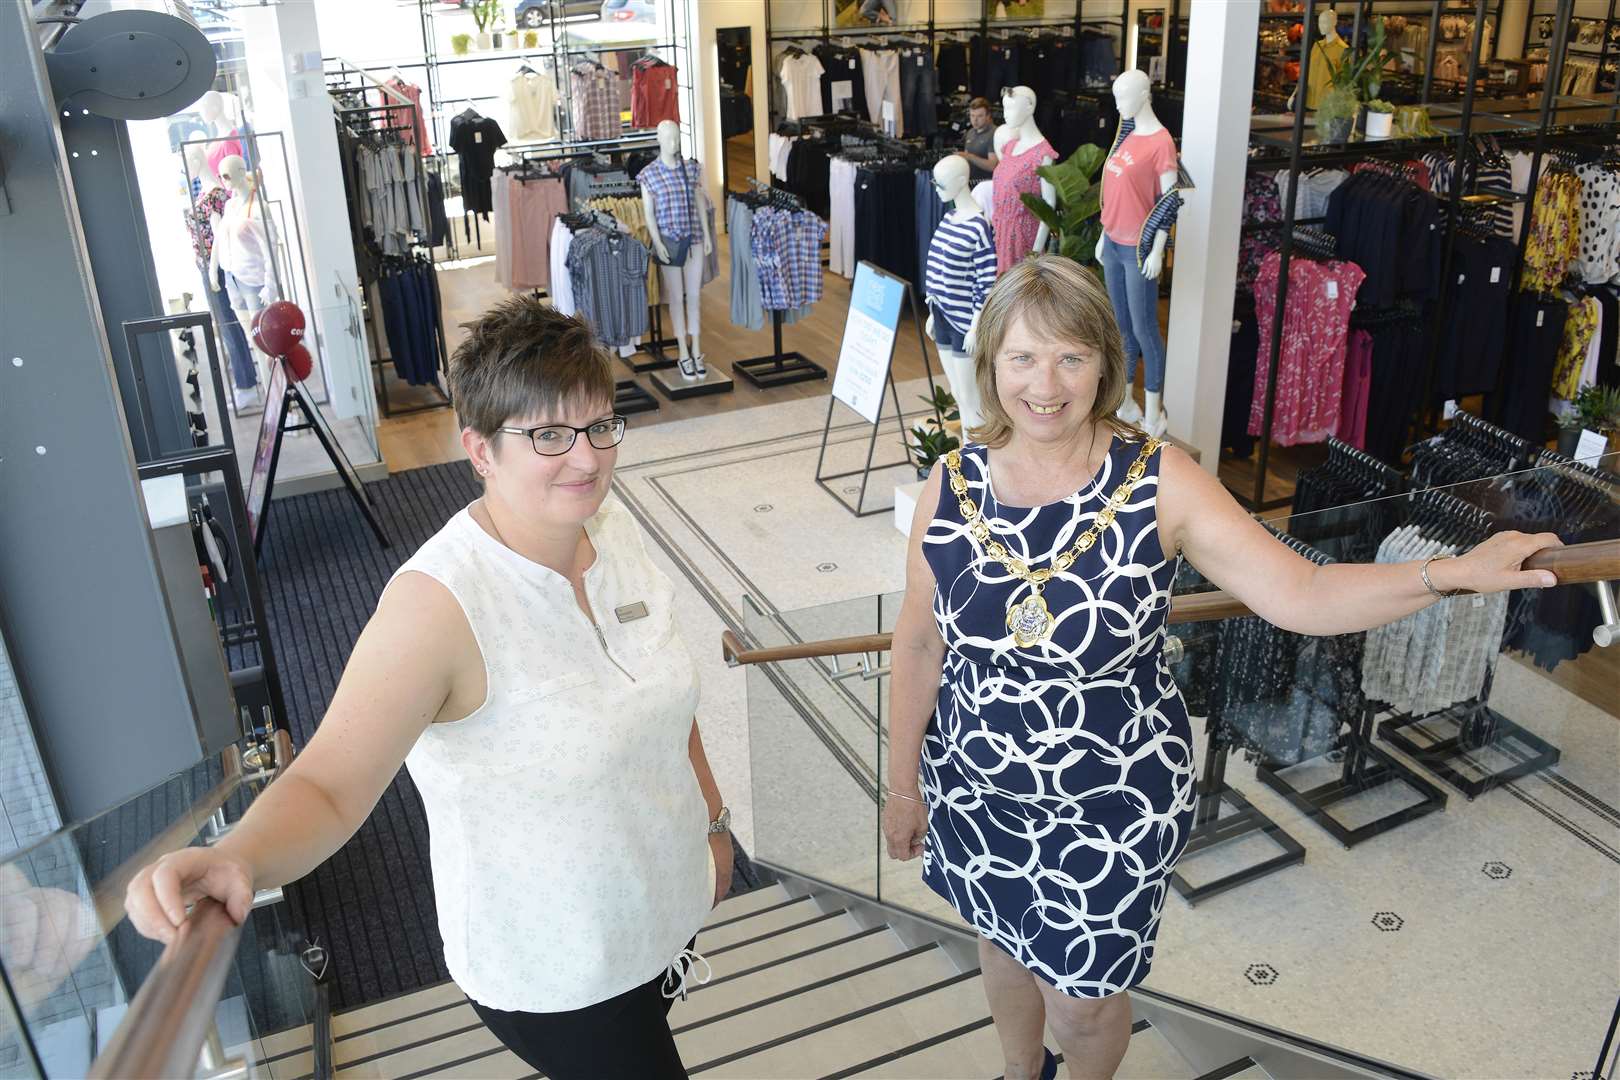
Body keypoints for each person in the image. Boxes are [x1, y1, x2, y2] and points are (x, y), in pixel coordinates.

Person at [880, 255, 1560, 1080]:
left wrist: (1445, 572)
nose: (1045, 384)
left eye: (1070, 356)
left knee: (1083, 1000)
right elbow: (919, 640)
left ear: (1105, 359)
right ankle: (1022, 1072)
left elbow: (1300, 591)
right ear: (990, 365)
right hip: (977, 783)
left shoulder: (1157, 481)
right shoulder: (949, 486)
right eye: (1022, 357)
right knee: (999, 937)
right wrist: (904, 782)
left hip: (1109, 798)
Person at [124, 297, 733, 1080]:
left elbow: (665, 700)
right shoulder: (439, 606)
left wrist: (713, 826)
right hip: (560, 969)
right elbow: (330, 783)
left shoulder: (613, 530)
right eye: (548, 434)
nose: (586, 459)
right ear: (479, 449)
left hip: (661, 910)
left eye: (599, 426)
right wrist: (238, 856)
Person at [959, 96, 999, 182]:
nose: (975, 120)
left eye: (979, 116)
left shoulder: (995, 133)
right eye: (972, 115)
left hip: (988, 184)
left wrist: (970, 156)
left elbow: (992, 166)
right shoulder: (970, 132)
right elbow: (966, 158)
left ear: (988, 116)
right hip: (970, 182)